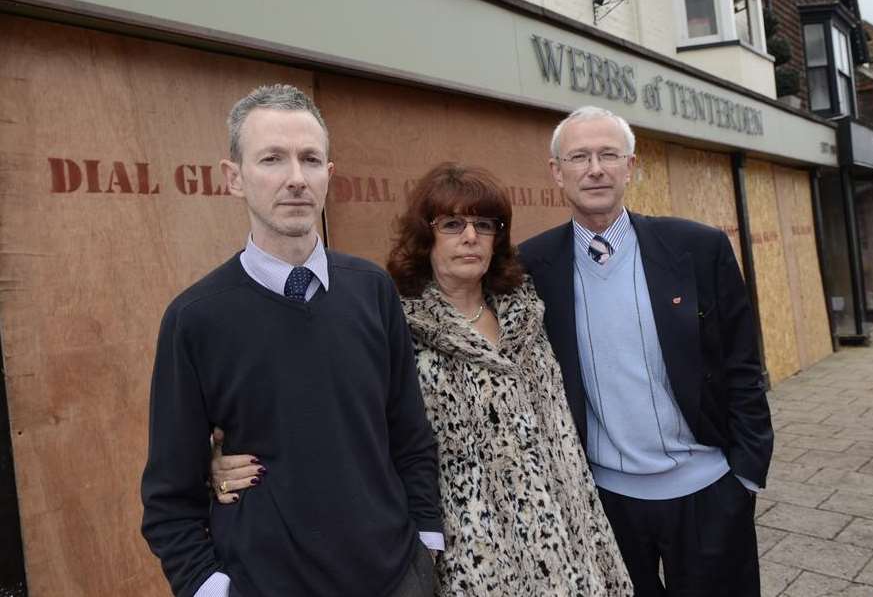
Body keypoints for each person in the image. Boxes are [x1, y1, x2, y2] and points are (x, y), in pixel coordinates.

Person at [212, 163, 633, 596]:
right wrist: (222, 459)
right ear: (425, 236)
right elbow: (329, 413)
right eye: (452, 224)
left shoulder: (527, 312)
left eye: (485, 224)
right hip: (468, 552)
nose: (470, 237)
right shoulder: (393, 322)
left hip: (567, 535)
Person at [140, 84, 442, 597]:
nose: (296, 179)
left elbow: (410, 436)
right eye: (272, 159)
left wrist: (426, 548)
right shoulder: (195, 319)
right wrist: (210, 588)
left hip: (397, 578)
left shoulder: (372, 290)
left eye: (310, 159)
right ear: (233, 177)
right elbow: (170, 496)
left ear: (330, 174)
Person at [517, 106, 773, 597]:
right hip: (604, 501)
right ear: (557, 172)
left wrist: (746, 476)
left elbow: (743, 364)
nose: (595, 168)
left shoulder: (699, 248)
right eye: (579, 157)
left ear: (630, 166)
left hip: (709, 494)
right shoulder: (532, 265)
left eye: (609, 154)